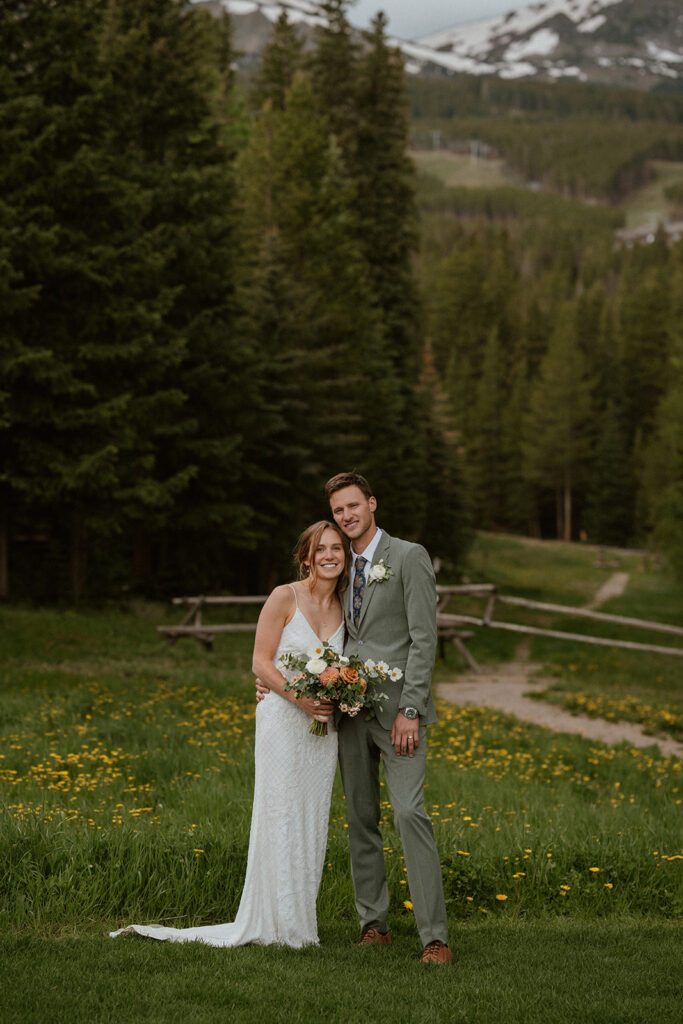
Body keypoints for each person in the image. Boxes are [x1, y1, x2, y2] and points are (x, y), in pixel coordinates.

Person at [110, 520, 349, 948]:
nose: (330, 555)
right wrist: (301, 699)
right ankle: (273, 922)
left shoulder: (346, 606)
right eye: (321, 549)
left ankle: (298, 923)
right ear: (306, 557)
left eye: (337, 548)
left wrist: (338, 695)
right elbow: (260, 663)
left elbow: (346, 668)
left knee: (311, 817)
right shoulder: (283, 597)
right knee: (280, 813)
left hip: (322, 729)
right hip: (282, 718)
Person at [258, 473, 452, 964]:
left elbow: (424, 641)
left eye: (352, 506)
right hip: (348, 715)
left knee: (409, 814)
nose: (346, 517)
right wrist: (279, 682)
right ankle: (374, 925)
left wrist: (411, 709)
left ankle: (435, 938)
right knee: (361, 820)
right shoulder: (340, 569)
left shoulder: (409, 557)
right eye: (338, 510)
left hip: (398, 716)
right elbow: (314, 634)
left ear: (371, 503)